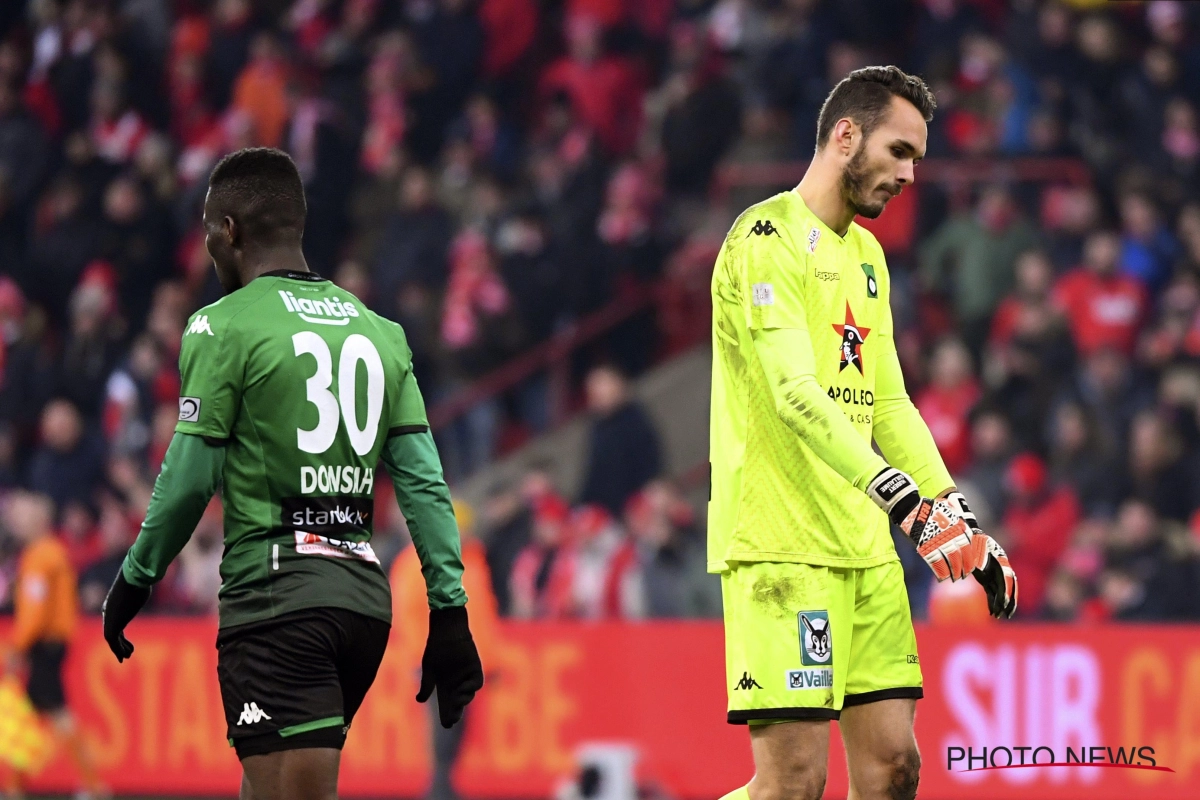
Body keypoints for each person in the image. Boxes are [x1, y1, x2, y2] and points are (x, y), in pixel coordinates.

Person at [100, 148, 484, 800]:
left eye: (206, 232)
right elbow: (422, 483)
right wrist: (449, 611)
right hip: (361, 606)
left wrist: (135, 578)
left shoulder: (223, 326)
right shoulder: (380, 333)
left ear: (229, 231)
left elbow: (189, 479)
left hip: (277, 602)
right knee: (264, 785)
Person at [707, 67, 1018, 800]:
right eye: (900, 151)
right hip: (781, 544)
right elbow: (794, 395)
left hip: (864, 550)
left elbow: (888, 403)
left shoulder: (868, 257)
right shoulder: (764, 239)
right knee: (793, 784)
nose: (911, 174)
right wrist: (908, 505)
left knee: (893, 770)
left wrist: (959, 517)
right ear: (846, 135)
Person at [391, 500, 500, 800]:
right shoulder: (417, 563)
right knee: (444, 730)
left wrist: (489, 661)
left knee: (459, 731)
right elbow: (409, 617)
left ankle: (444, 787)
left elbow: (482, 616)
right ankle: (439, 790)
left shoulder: (471, 561)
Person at [3, 491, 102, 799]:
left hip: (45, 644)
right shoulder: (51, 552)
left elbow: (34, 613)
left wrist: (16, 647)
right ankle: (16, 787)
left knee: (58, 715)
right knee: (32, 714)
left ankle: (93, 785)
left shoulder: (40, 556)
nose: (14, 523)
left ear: (37, 521)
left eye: (20, 517)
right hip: (52, 642)